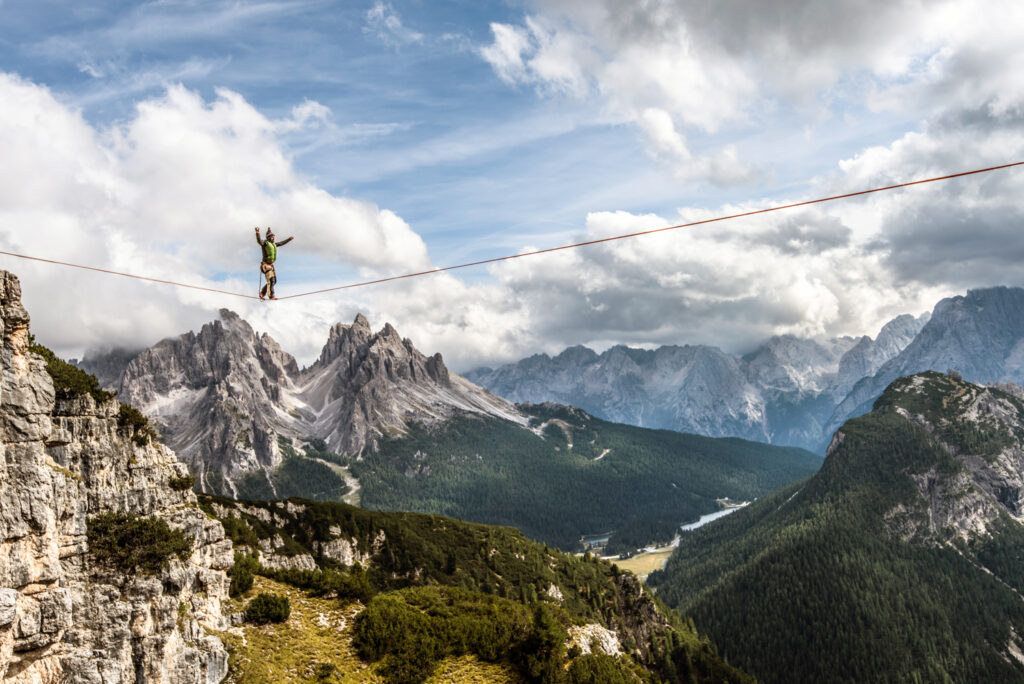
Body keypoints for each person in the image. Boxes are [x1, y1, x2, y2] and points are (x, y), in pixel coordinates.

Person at [254, 227, 294, 300]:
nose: (273, 238)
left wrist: (289, 239)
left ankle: (262, 293)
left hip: (271, 265)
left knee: (274, 281)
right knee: (271, 280)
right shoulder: (265, 243)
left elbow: (281, 243)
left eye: (273, 237)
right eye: (272, 237)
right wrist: (257, 233)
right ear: (268, 238)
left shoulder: (274, 244)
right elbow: (259, 241)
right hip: (266, 265)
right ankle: (271, 296)